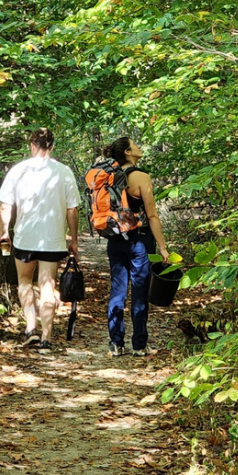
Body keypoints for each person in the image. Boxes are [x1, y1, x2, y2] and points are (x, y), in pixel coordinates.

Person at [0, 127, 81, 350]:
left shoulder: (18, 170)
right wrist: (73, 239)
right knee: (47, 286)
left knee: (25, 281)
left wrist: (4, 231)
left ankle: (30, 329)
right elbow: (72, 209)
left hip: (25, 238)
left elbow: (5, 205)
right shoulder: (64, 172)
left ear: (32, 146)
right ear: (51, 147)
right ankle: (46, 337)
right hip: (52, 239)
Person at [86, 133, 169, 358]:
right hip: (140, 240)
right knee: (140, 290)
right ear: (128, 152)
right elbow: (152, 216)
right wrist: (162, 247)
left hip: (115, 239)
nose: (139, 147)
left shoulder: (108, 177)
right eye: (135, 145)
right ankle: (139, 344)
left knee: (117, 290)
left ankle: (116, 343)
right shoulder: (141, 177)